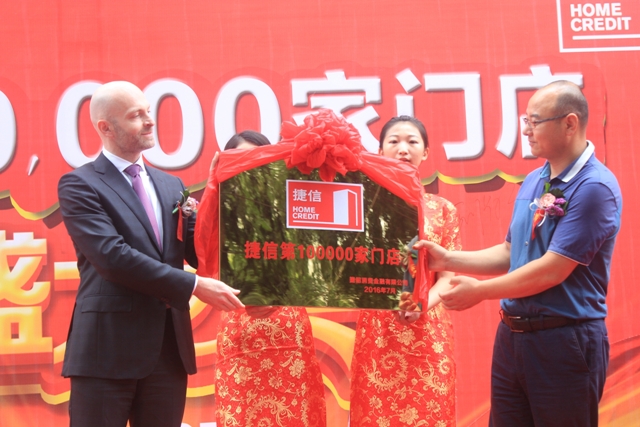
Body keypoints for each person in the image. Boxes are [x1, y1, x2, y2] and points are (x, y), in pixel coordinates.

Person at [418, 81, 622, 426]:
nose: (525, 130)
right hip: (513, 338)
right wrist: (448, 260)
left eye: (535, 121)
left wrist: (479, 292)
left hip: (565, 341)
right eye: (525, 120)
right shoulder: (534, 180)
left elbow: (551, 270)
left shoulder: (594, 188)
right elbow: (510, 252)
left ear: (569, 123)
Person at [57, 81, 244, 427]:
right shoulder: (80, 185)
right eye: (136, 116)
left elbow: (202, 250)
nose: (149, 121)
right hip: (106, 351)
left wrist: (224, 193)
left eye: (148, 111)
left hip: (167, 352)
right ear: (106, 128)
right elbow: (112, 257)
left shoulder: (171, 186)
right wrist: (193, 285)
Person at [349, 116, 460, 427]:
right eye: (394, 141)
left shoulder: (443, 210)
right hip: (378, 332)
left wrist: (421, 304)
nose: (403, 149)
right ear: (380, 151)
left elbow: (448, 277)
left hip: (427, 331)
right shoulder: (360, 206)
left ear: (425, 153)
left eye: (412, 142)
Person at [212, 131, 327, 427]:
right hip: (239, 330)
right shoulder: (217, 212)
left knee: (295, 414)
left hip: (287, 330)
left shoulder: (295, 207)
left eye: (258, 160)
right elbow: (204, 259)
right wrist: (214, 190)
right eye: (240, 159)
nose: (249, 167)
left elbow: (317, 268)